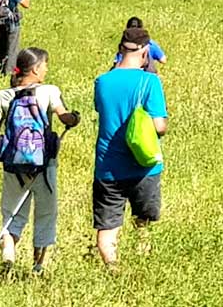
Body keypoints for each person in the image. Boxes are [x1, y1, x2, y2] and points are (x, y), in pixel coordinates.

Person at [0, 48, 80, 277]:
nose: (47, 70)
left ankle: (8, 254)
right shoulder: (49, 91)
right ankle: (38, 267)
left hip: (13, 167)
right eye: (45, 65)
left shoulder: (3, 96)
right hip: (43, 165)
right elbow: (63, 116)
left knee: (12, 215)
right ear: (36, 68)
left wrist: (12, 150)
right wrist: (74, 118)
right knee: (46, 215)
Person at [92, 29, 168, 269]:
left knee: (107, 229)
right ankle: (141, 266)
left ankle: (113, 270)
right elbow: (159, 126)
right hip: (144, 166)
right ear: (146, 52)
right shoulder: (150, 81)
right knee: (143, 224)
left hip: (108, 167)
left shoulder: (102, 81)